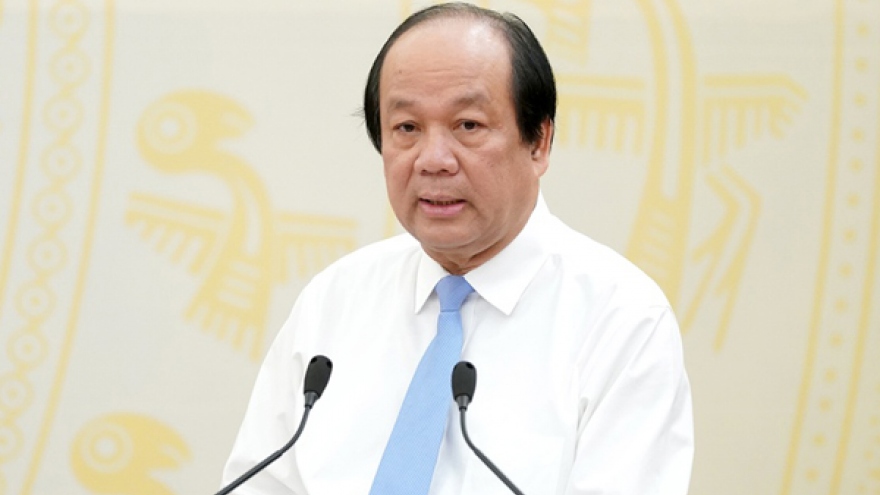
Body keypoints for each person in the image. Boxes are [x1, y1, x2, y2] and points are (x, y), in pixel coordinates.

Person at [222, 3, 693, 494]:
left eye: (468, 125)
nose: (433, 160)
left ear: (539, 142)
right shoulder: (334, 301)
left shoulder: (621, 321)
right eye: (407, 128)